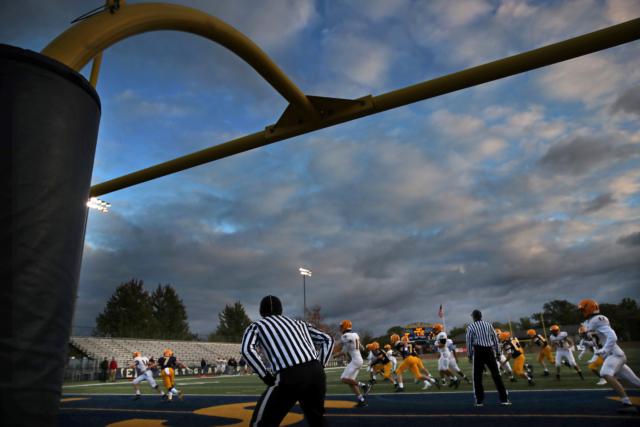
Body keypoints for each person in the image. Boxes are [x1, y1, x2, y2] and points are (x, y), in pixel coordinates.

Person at [241, 295, 334, 426]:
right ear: (281, 310)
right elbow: (328, 339)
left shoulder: (257, 326)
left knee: (262, 423)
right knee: (317, 420)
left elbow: (247, 350)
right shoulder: (299, 323)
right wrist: (320, 364)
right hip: (316, 373)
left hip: (290, 374)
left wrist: (265, 375)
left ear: (261, 311)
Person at [578, 299, 640, 411]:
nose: (582, 312)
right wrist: (588, 343)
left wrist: (605, 349)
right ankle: (627, 402)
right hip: (614, 356)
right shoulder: (590, 322)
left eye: (583, 309)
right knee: (635, 381)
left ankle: (627, 403)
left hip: (614, 354)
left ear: (589, 308)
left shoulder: (598, 319)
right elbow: (598, 340)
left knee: (605, 373)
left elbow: (613, 337)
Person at [465, 309, 510, 407]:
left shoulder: (471, 326)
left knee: (478, 377)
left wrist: (469, 355)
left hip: (479, 351)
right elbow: (495, 339)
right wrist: (498, 353)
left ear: (473, 317)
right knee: (496, 375)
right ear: (481, 316)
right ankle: (504, 399)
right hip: (489, 351)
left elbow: (469, 341)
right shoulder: (488, 325)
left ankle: (479, 401)